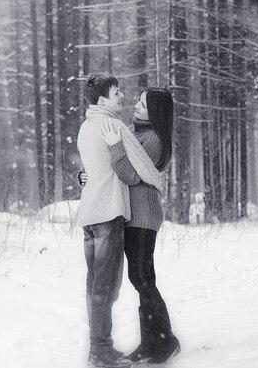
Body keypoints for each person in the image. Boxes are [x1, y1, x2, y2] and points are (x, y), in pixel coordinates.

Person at [79, 87, 181, 364]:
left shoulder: (154, 139)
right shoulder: (133, 133)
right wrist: (89, 175)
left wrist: (114, 146)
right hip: (130, 214)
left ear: (155, 112)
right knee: (140, 278)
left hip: (143, 215)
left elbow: (131, 176)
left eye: (143, 104)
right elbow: (110, 168)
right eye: (138, 101)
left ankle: (163, 341)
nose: (135, 105)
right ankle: (154, 342)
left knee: (142, 277)